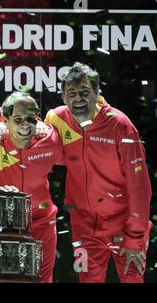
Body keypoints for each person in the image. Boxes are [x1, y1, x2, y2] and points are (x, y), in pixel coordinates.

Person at [45, 62, 152, 283]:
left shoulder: (120, 125)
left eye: (85, 92)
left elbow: (139, 186)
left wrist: (135, 237)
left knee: (132, 279)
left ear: (96, 93)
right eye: (71, 93)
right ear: (63, 97)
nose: (78, 98)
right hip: (84, 227)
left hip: (124, 225)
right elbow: (46, 151)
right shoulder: (56, 120)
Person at [0, 92, 64, 283]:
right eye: (18, 119)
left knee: (43, 279)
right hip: (2, 224)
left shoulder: (51, 140)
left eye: (30, 119)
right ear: (6, 121)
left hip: (42, 221)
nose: (25, 125)